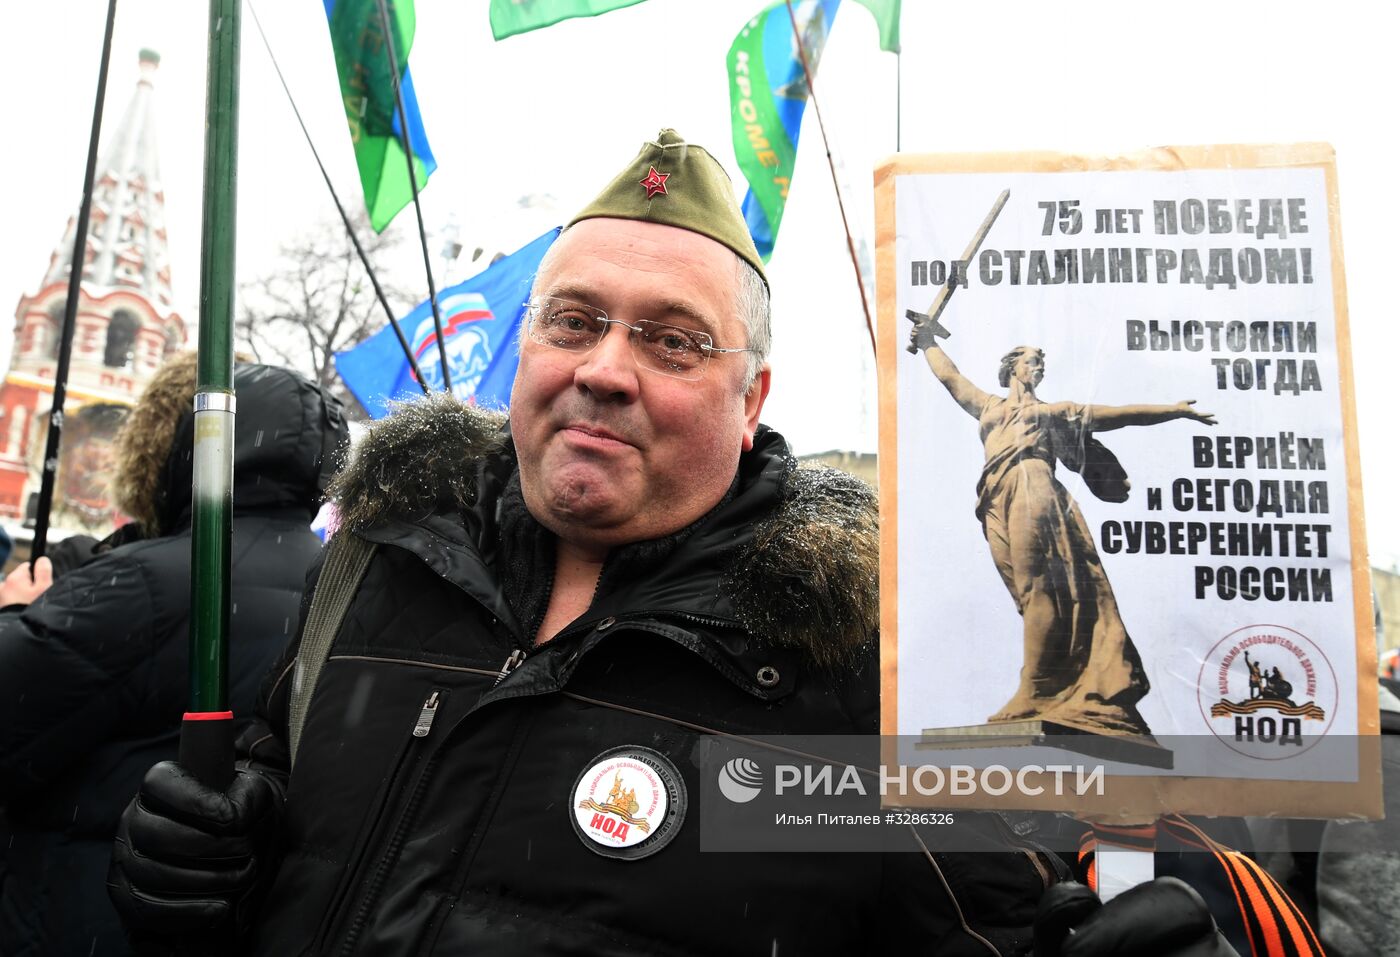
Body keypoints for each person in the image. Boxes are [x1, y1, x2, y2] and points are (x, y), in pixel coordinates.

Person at [109, 130, 1241, 956]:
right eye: (574, 321)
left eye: (670, 341)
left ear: (750, 402)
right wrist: (211, 844)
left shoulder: (857, 671)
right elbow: (279, 778)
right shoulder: (376, 561)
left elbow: (979, 934)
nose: (603, 367)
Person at [0, 353, 347, 956]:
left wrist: (13, 611)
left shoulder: (149, 582)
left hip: (84, 910)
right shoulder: (345, 586)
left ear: (191, 445)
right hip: (219, 926)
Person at [908, 330, 1215, 736]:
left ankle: (1034, 691)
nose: (1039, 366)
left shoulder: (1054, 412)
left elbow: (1119, 415)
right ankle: (1056, 682)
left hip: (1033, 486)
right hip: (992, 497)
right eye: (1032, 360)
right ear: (1012, 367)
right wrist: (928, 340)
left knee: (1038, 589)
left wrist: (1173, 411)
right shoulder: (987, 406)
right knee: (1025, 596)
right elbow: (950, 377)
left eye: (1041, 362)